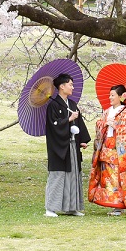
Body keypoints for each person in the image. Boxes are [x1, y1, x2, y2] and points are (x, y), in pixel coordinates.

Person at [87, 84, 126, 216]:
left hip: (118, 151)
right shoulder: (107, 112)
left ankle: (119, 205)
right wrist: (104, 124)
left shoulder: (125, 113)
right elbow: (99, 125)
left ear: (120, 97)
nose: (110, 97)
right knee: (107, 177)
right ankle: (110, 201)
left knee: (118, 177)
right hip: (106, 147)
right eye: (110, 95)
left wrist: (117, 127)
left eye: (113, 95)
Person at [44, 72, 91, 216]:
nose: (72, 87)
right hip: (59, 146)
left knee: (74, 174)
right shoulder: (53, 106)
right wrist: (68, 119)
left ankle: (72, 207)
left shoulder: (72, 104)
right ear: (62, 86)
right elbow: (53, 126)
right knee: (58, 175)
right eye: (70, 84)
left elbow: (79, 123)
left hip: (72, 144)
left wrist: (82, 139)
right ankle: (50, 208)